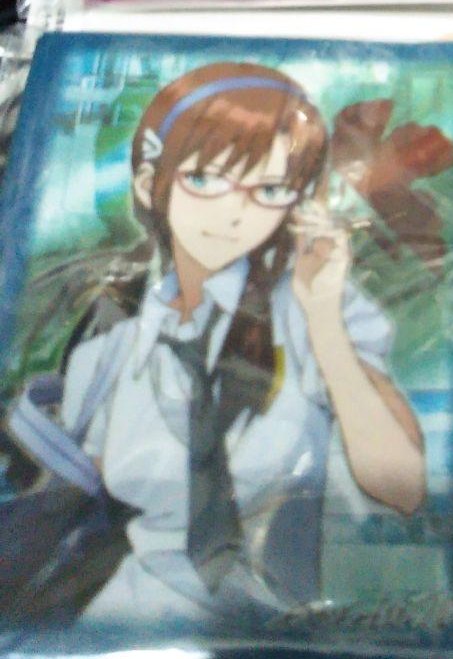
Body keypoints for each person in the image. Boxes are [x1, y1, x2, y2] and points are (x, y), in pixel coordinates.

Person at [56, 62, 426, 625]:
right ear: (149, 185)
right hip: (116, 622)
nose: (234, 213)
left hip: (279, 629)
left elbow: (401, 486)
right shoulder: (110, 347)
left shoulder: (312, 312)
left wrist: (324, 320)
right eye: (204, 180)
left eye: (269, 190)